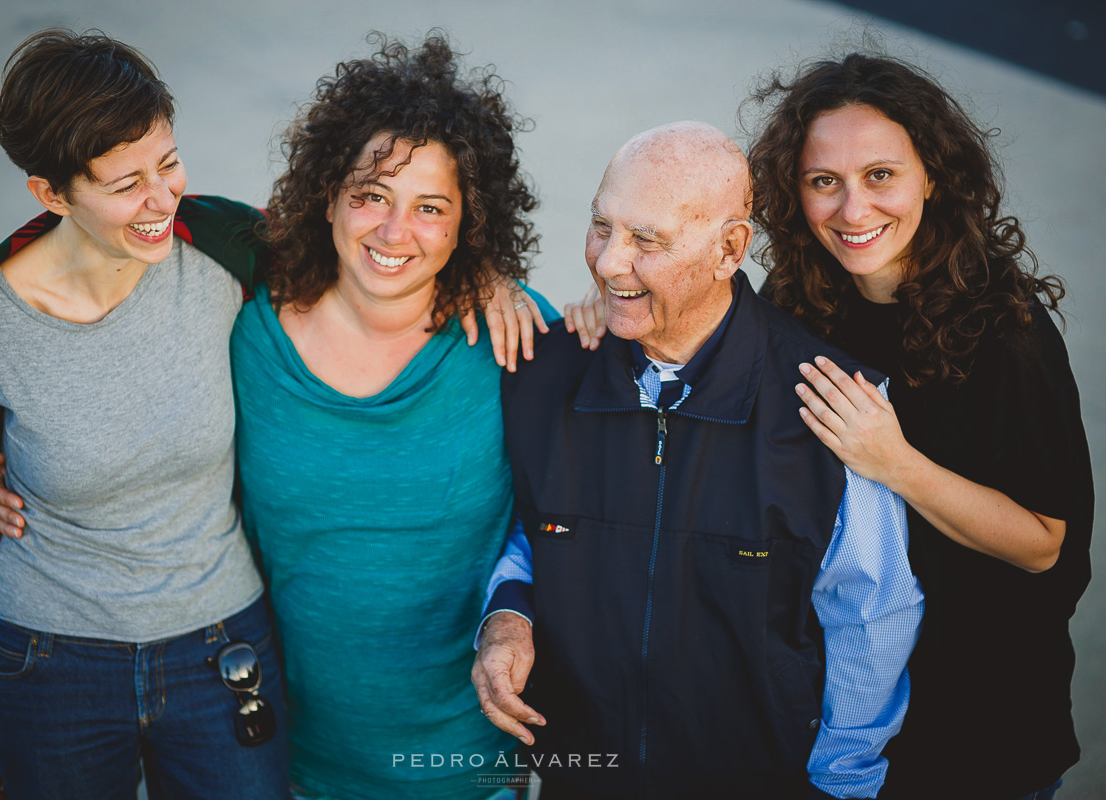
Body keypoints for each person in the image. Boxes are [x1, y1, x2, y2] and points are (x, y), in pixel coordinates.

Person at [472, 121, 924, 800]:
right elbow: (532, 531)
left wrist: (841, 785)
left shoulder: (833, 406)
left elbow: (870, 614)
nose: (608, 262)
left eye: (647, 240)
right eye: (602, 226)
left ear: (729, 249)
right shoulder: (541, 374)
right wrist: (508, 618)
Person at [0, 29, 290, 800]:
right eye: (125, 185)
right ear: (52, 194)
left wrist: (488, 284)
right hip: (46, 661)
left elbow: (379, 267)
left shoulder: (226, 248)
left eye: (168, 163)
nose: (162, 200)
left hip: (221, 645)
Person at [746, 53, 1094, 800]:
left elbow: (1044, 545)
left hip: (980, 727)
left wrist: (893, 461)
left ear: (932, 176)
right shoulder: (801, 301)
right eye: (822, 182)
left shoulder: (1006, 332)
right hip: (840, 717)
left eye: (880, 176)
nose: (852, 210)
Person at [228, 35, 558, 800]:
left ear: (468, 224)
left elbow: (577, 515)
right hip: (288, 755)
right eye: (372, 194)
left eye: (430, 208)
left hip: (466, 762)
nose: (393, 231)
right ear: (329, 194)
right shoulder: (250, 340)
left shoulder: (516, 341)